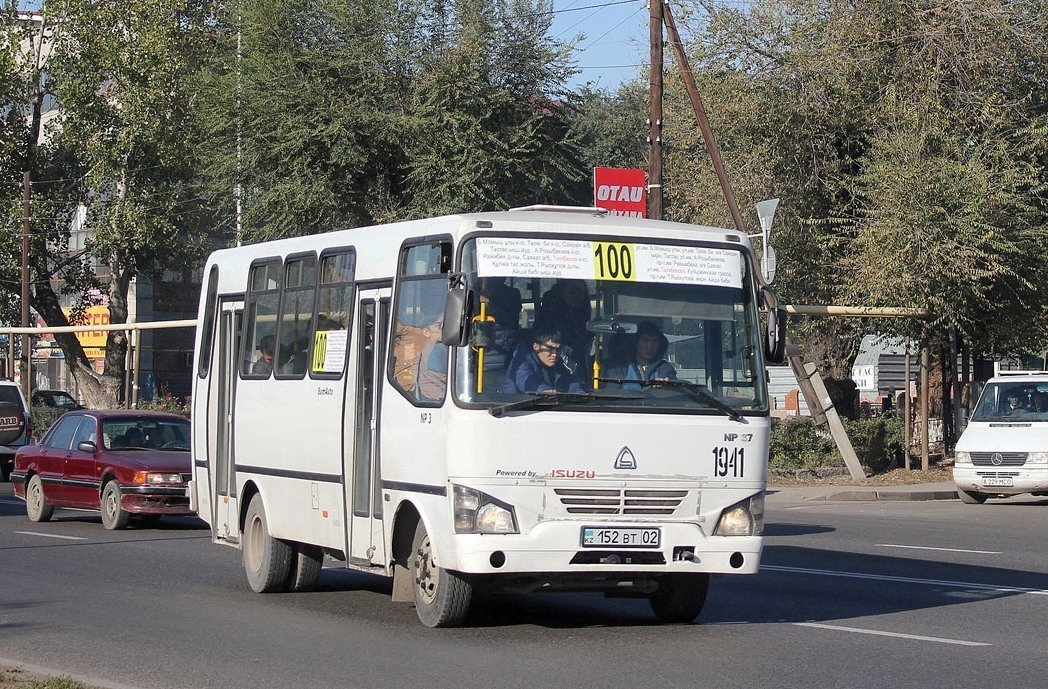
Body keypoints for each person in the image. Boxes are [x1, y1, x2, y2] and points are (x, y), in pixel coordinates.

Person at [534, 279, 592, 374]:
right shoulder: (551, 318)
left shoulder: (581, 315)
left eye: (580, 292)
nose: (576, 296)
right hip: (558, 367)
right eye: (572, 292)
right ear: (562, 293)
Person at [500, 329, 585, 394]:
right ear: (536, 347)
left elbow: (568, 381)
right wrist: (544, 390)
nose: (555, 354)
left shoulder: (556, 362)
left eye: (558, 349)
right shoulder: (521, 362)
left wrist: (580, 395)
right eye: (550, 349)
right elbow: (525, 379)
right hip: (514, 411)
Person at [603, 320, 676, 390]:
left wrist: (666, 387)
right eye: (645, 340)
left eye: (655, 341)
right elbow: (612, 395)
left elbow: (674, 392)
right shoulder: (619, 367)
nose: (650, 346)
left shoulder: (664, 368)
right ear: (635, 342)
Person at [478, 277, 523, 370]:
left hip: (503, 353)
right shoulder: (474, 292)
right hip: (479, 352)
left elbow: (509, 319)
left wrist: (489, 303)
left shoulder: (511, 294)